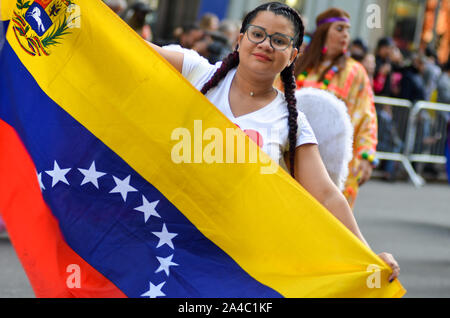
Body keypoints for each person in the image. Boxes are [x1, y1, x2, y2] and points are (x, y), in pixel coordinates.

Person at [148, 1, 399, 283]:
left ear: (292, 55)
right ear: (240, 39)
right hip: (167, 243)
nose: (265, 45)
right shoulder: (196, 74)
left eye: (279, 41)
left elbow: (327, 196)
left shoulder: (291, 123)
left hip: (239, 264)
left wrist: (368, 255)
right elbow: (127, 49)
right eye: (257, 34)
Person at [294, 8, 377, 209]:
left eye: (348, 30)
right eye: (339, 29)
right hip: (296, 152)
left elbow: (366, 115)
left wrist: (366, 155)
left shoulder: (355, 72)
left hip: (335, 160)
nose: (345, 35)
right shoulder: (300, 65)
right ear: (324, 32)